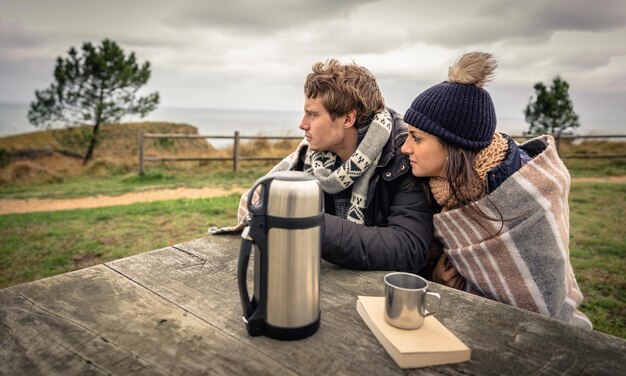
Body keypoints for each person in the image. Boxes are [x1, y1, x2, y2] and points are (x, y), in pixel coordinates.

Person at [400, 51, 592, 328]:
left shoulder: (521, 193)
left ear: (454, 146)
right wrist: (438, 280)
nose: (405, 147)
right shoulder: (442, 187)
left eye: (416, 138)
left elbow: (540, 298)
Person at [211, 59, 433, 273]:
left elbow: (409, 247)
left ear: (347, 119)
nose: (302, 124)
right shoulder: (310, 158)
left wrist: (311, 225)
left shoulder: (402, 156)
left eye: (313, 114)